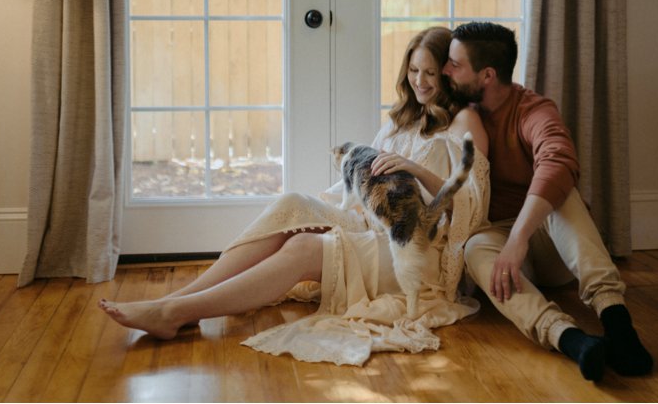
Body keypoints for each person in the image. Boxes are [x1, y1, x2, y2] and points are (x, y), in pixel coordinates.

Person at [100, 26, 491, 366]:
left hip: (413, 249)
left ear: (446, 75)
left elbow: (470, 204)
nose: (420, 81)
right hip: (369, 222)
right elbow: (362, 182)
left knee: (304, 247)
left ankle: (174, 312)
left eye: (429, 73)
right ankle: (181, 301)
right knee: (293, 208)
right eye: (412, 70)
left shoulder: (464, 121)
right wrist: (317, 207)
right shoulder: (401, 117)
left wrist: (414, 168)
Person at [442, 21, 653, 382]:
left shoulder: (532, 109)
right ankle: (569, 339)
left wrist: (519, 238)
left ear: (488, 75)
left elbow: (558, 158)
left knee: (560, 193)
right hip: (499, 245)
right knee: (474, 247)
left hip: (548, 244)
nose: (446, 71)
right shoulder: (455, 109)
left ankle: (617, 322)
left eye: (454, 65)